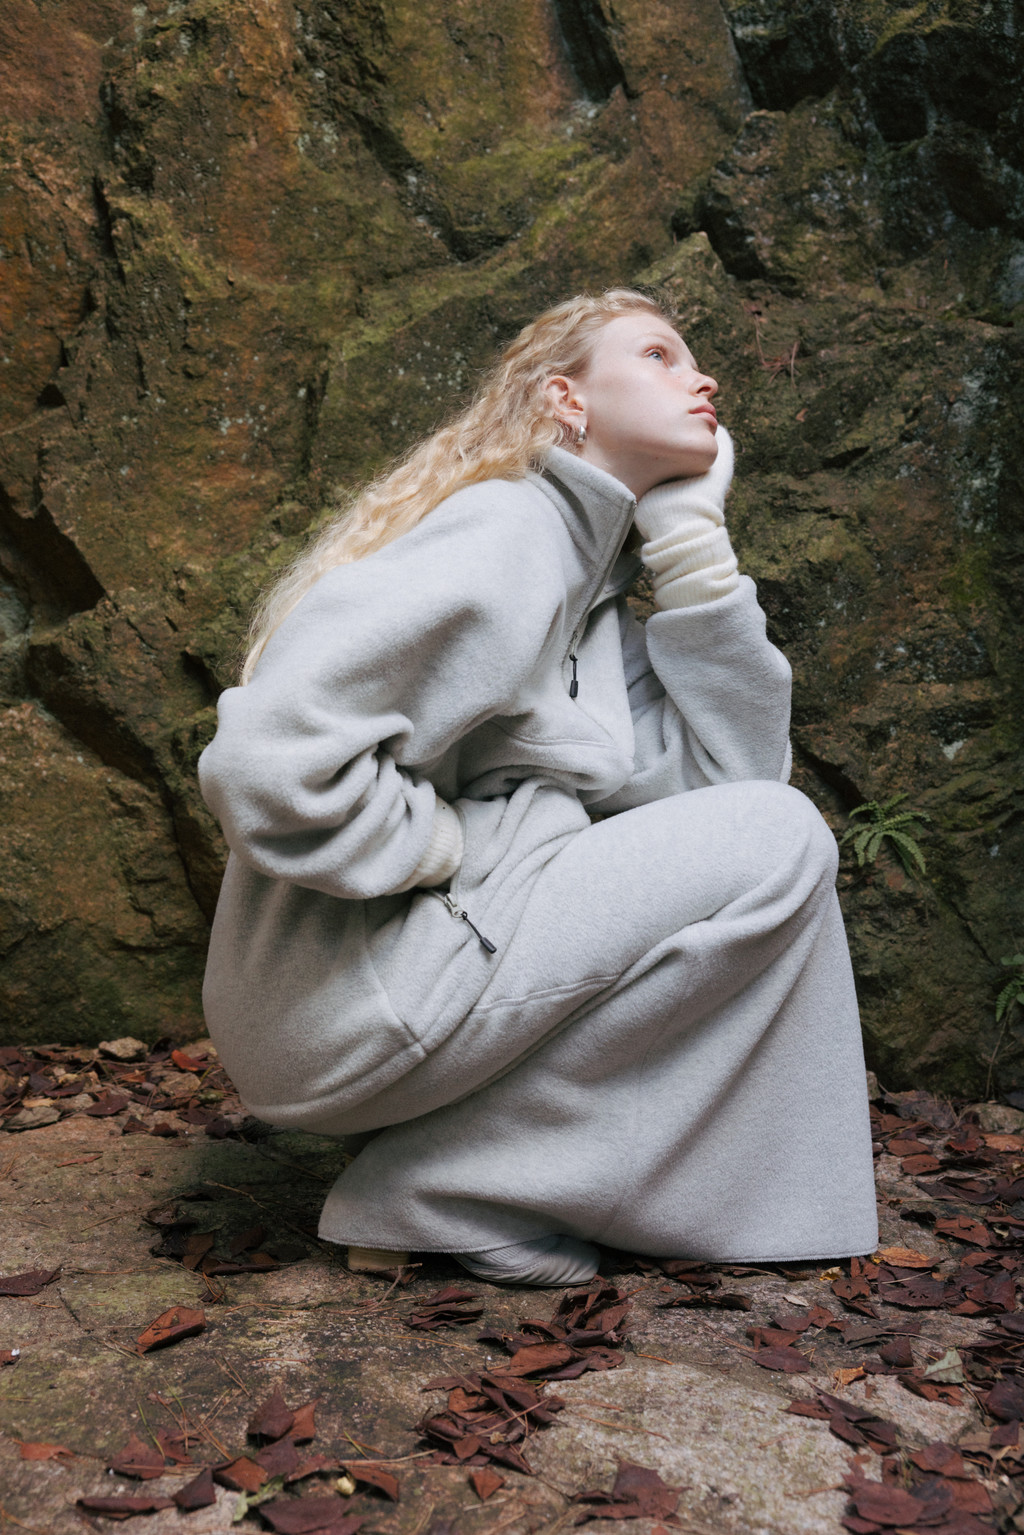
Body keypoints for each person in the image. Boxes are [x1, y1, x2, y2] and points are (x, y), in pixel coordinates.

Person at [198, 288, 878, 1287]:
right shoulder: (506, 531)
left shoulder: (589, 598)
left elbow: (729, 789)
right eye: (657, 354)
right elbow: (268, 761)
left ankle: (453, 1172)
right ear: (566, 399)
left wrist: (691, 546)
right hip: (345, 997)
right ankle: (450, 1184)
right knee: (780, 833)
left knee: (774, 837)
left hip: (401, 986)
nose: (702, 378)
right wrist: (445, 848)